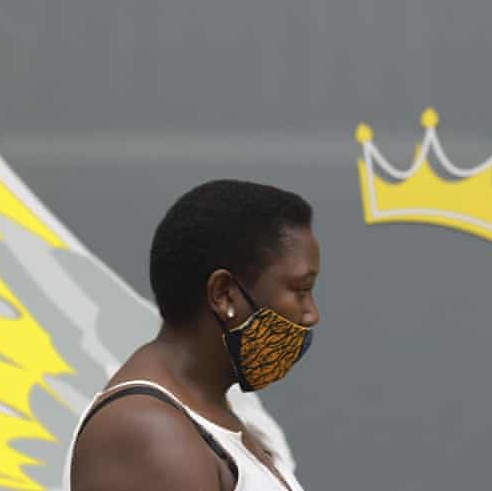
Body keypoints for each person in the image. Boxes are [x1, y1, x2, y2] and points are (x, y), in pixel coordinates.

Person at [67, 179, 321, 490]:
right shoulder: (148, 432)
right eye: (301, 290)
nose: (311, 314)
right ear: (224, 294)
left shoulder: (219, 414)